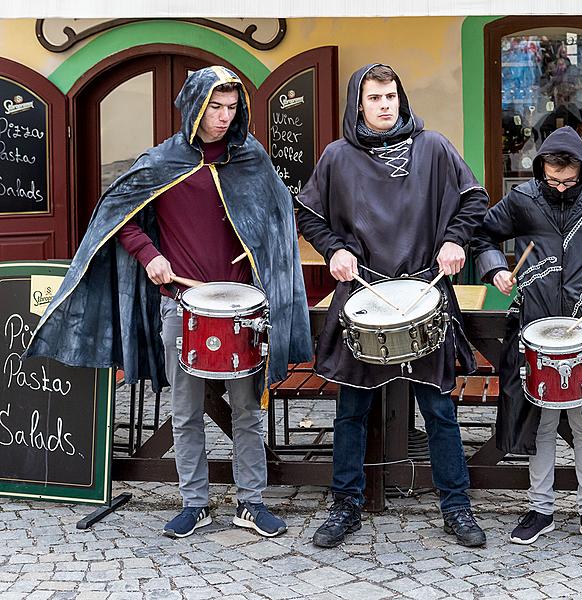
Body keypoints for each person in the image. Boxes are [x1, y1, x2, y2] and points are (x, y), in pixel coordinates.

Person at [26, 66, 312, 538]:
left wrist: (262, 249)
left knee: (247, 409)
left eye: (231, 107)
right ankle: (194, 503)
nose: (223, 117)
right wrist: (151, 255)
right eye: (214, 107)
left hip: (244, 308)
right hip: (182, 305)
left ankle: (252, 503)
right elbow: (119, 218)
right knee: (185, 410)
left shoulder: (251, 158)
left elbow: (279, 216)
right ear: (194, 107)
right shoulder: (162, 160)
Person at [296, 64, 489, 548]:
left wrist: (454, 240)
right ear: (357, 104)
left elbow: (473, 201)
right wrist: (334, 250)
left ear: (401, 98)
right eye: (374, 98)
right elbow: (309, 213)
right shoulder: (338, 157)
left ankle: (456, 506)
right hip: (363, 294)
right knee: (351, 410)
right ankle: (346, 504)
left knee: (439, 409)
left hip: (424, 290)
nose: (385, 105)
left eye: (391, 96)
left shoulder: (434, 148)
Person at [471, 126, 582, 549]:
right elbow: (483, 234)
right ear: (541, 170)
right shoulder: (523, 199)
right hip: (535, 323)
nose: (560, 187)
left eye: (568, 180)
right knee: (541, 420)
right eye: (552, 179)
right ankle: (540, 508)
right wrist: (496, 267)